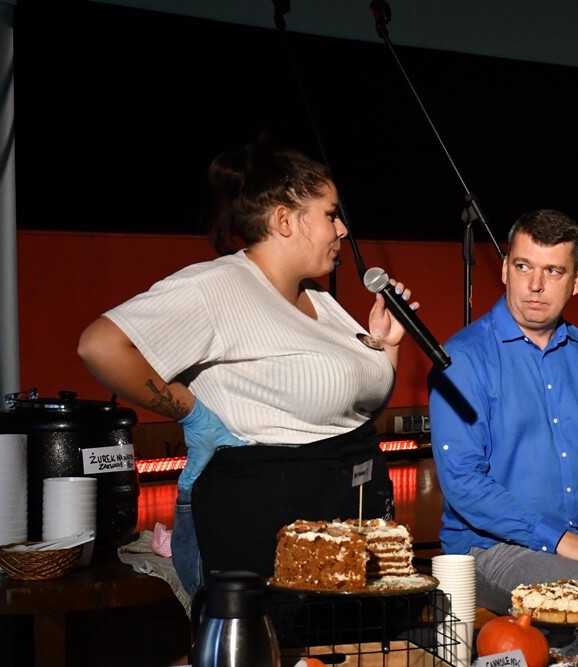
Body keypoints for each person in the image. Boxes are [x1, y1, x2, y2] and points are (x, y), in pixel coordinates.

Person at [77, 138, 419, 606]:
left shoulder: (319, 299)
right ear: (284, 220)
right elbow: (100, 346)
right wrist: (194, 414)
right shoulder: (217, 286)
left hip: (346, 521)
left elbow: (354, 413)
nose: (342, 229)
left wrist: (385, 344)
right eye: (331, 214)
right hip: (260, 526)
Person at [427, 208, 578, 615]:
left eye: (553, 271)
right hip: (490, 548)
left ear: (577, 281)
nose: (535, 285)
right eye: (523, 266)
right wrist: (558, 540)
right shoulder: (463, 359)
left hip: (577, 546)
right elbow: (464, 482)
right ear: (505, 269)